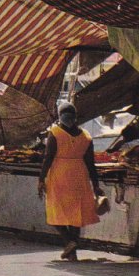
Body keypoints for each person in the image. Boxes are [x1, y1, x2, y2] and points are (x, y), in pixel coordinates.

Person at [38, 103, 103, 261]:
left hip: (59, 175)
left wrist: (41, 179)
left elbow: (48, 158)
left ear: (59, 116)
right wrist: (95, 185)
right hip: (79, 175)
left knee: (55, 211)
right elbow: (91, 163)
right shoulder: (86, 135)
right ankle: (72, 252)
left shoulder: (55, 133)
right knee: (76, 213)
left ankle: (69, 241)